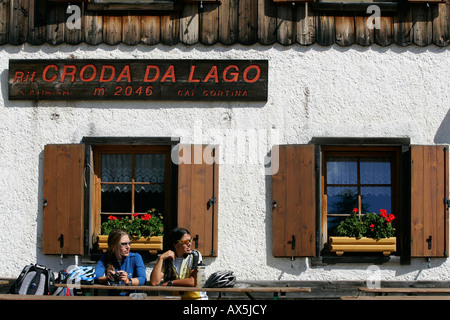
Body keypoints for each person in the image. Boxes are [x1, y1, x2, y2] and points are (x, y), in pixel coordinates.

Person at [150, 227, 208, 300]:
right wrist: (161, 258)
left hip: (197, 298)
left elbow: (193, 281)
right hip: (179, 298)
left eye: (190, 240)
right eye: (185, 242)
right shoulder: (169, 259)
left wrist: (171, 282)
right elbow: (154, 282)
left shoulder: (194, 255)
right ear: (175, 244)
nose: (189, 244)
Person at [94, 229, 146, 295]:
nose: (128, 247)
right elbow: (96, 277)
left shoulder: (135, 257)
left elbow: (142, 279)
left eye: (129, 243)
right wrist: (107, 278)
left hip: (132, 297)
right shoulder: (106, 257)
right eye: (124, 244)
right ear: (113, 246)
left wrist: (127, 280)